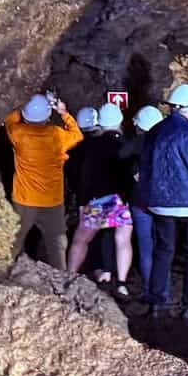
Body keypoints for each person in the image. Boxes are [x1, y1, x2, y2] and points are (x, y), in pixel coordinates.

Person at [141, 83, 188, 320]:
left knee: (163, 250)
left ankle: (157, 303)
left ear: (171, 107)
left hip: (160, 201)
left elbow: (145, 166)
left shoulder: (154, 132)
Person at [3, 92, 84, 269]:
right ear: (47, 116)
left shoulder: (18, 133)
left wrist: (19, 104)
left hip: (24, 200)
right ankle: (61, 277)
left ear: (26, 116)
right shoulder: (57, 135)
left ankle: (4, 272)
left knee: (14, 241)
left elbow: (10, 120)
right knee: (56, 244)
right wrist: (64, 113)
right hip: (52, 201)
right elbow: (77, 135)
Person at [65, 102, 135, 295]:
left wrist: (83, 202)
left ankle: (70, 276)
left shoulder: (90, 147)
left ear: (100, 123)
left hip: (98, 202)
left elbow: (85, 177)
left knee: (80, 241)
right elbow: (130, 176)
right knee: (123, 240)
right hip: (121, 200)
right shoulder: (127, 145)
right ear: (120, 121)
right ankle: (121, 283)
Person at [128, 104, 164, 297]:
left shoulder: (136, 147)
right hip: (163, 202)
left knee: (145, 245)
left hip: (141, 201)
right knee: (163, 246)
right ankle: (162, 288)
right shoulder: (167, 144)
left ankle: (150, 288)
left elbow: (132, 170)